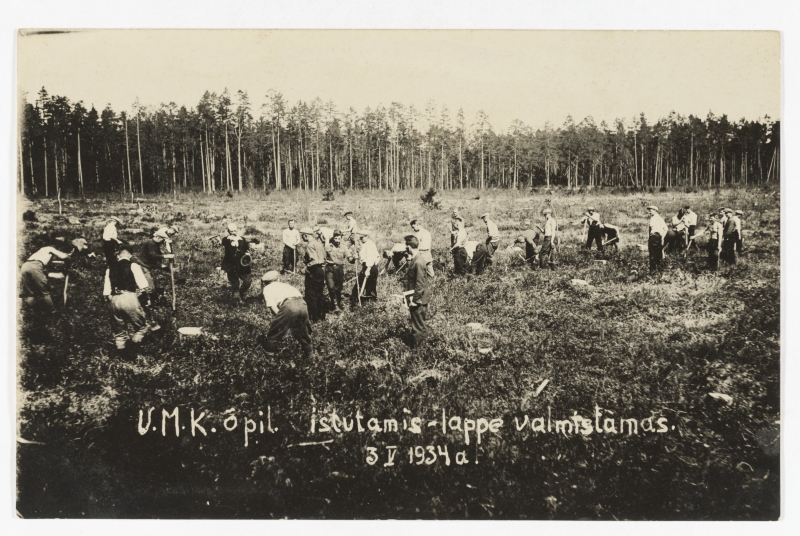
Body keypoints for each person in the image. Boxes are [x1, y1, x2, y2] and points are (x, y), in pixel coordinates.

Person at [102, 244, 151, 352]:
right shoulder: (133, 266)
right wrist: (146, 299)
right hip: (129, 297)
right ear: (130, 255)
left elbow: (106, 292)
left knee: (119, 331)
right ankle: (134, 345)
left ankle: (121, 351)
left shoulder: (109, 269)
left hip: (114, 299)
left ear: (118, 255)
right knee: (142, 327)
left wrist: (112, 301)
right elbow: (143, 285)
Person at [259, 271, 313, 358]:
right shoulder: (286, 285)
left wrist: (281, 320)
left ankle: (269, 358)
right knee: (303, 333)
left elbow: (273, 307)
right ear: (278, 278)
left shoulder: (267, 288)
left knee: (274, 334)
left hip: (289, 306)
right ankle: (310, 355)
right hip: (302, 304)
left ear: (265, 282)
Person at [19, 245, 74, 312]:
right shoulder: (49, 248)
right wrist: (69, 259)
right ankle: (53, 311)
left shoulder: (41, 253)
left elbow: (47, 270)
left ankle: (30, 312)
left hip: (25, 266)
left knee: (31, 293)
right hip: (35, 266)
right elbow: (64, 256)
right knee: (45, 292)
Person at [403, 235, 431, 347]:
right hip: (416, 297)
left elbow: (420, 284)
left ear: (409, 247)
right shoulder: (416, 259)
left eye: (406, 246)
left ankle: (419, 351)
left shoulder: (418, 261)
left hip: (418, 299)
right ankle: (421, 347)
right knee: (418, 324)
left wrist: (415, 300)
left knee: (418, 326)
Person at [299, 226, 327, 321]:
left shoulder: (310, 245)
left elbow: (314, 261)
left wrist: (305, 269)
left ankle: (313, 318)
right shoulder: (319, 244)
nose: (302, 238)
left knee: (311, 295)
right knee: (320, 294)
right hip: (320, 271)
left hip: (313, 272)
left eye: (302, 236)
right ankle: (322, 316)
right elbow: (323, 259)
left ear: (306, 236)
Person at [220, 222, 251, 305]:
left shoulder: (242, 239)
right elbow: (224, 244)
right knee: (235, 284)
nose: (234, 232)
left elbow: (247, 249)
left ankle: (241, 293)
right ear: (229, 232)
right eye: (232, 231)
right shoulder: (226, 240)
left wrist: (247, 253)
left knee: (248, 281)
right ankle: (236, 302)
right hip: (231, 265)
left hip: (242, 265)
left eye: (235, 231)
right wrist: (231, 241)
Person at [351, 228, 380, 305]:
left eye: (362, 238)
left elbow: (372, 258)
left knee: (370, 287)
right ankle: (362, 302)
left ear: (366, 236)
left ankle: (370, 304)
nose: (360, 239)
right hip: (367, 267)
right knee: (363, 286)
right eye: (359, 238)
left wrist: (368, 269)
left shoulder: (370, 244)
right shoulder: (365, 244)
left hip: (370, 267)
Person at [325, 230, 348, 313]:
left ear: (341, 238)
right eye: (336, 238)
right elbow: (323, 257)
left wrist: (353, 258)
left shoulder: (344, 248)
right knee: (331, 287)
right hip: (329, 269)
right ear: (333, 238)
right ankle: (335, 306)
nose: (337, 240)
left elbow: (349, 257)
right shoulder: (328, 247)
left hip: (339, 269)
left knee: (339, 288)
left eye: (339, 238)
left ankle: (338, 302)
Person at [647, 206, 669, 273]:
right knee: (658, 253)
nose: (649, 212)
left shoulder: (654, 218)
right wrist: (662, 238)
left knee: (653, 254)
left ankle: (653, 271)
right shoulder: (660, 218)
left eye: (650, 210)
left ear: (654, 210)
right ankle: (659, 269)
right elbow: (666, 229)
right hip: (658, 237)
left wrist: (650, 237)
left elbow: (651, 229)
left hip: (654, 237)